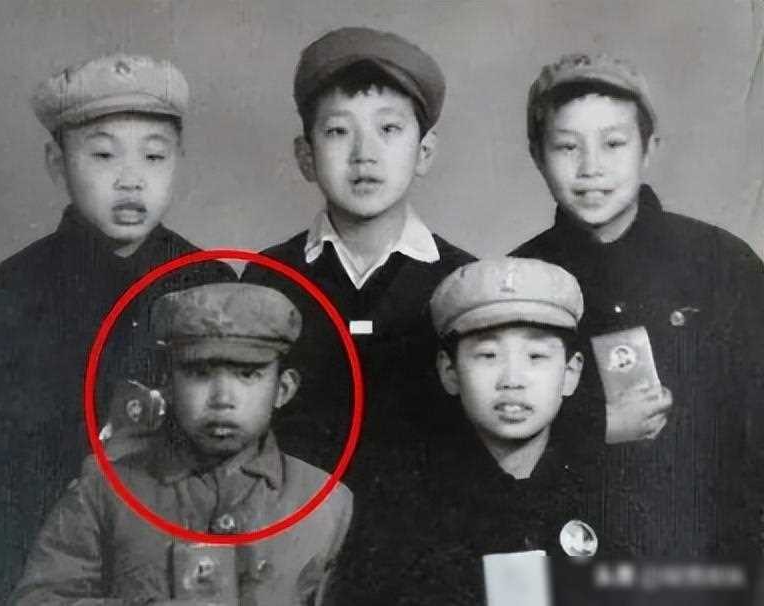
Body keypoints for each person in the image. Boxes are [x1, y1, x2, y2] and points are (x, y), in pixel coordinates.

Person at [0, 53, 235, 603]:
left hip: (169, 559)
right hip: (32, 551)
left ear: (179, 161)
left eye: (154, 156)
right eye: (103, 154)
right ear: (57, 163)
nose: (131, 179)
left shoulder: (208, 282)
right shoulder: (14, 288)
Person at [240, 27, 476, 601]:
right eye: (337, 131)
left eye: (389, 130)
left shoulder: (464, 284)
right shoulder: (268, 279)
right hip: (293, 567)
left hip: (431, 568)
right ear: (305, 155)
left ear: (425, 152)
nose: (364, 154)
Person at [512, 52, 764, 556]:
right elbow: (495, 440)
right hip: (573, 555)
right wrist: (595, 424)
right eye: (567, 146)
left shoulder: (722, 262)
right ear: (537, 155)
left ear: (649, 149)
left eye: (613, 143)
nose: (591, 168)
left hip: (712, 553)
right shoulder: (519, 280)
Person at [9, 282, 353, 606]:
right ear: (168, 385)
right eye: (199, 373)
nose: (222, 399)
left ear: (283, 388)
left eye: (248, 374)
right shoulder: (105, 491)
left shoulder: (326, 501)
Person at [394, 257, 596, 604]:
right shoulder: (405, 516)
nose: (512, 380)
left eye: (536, 356)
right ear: (450, 371)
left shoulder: (608, 498)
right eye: (488, 355)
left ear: (570, 373)